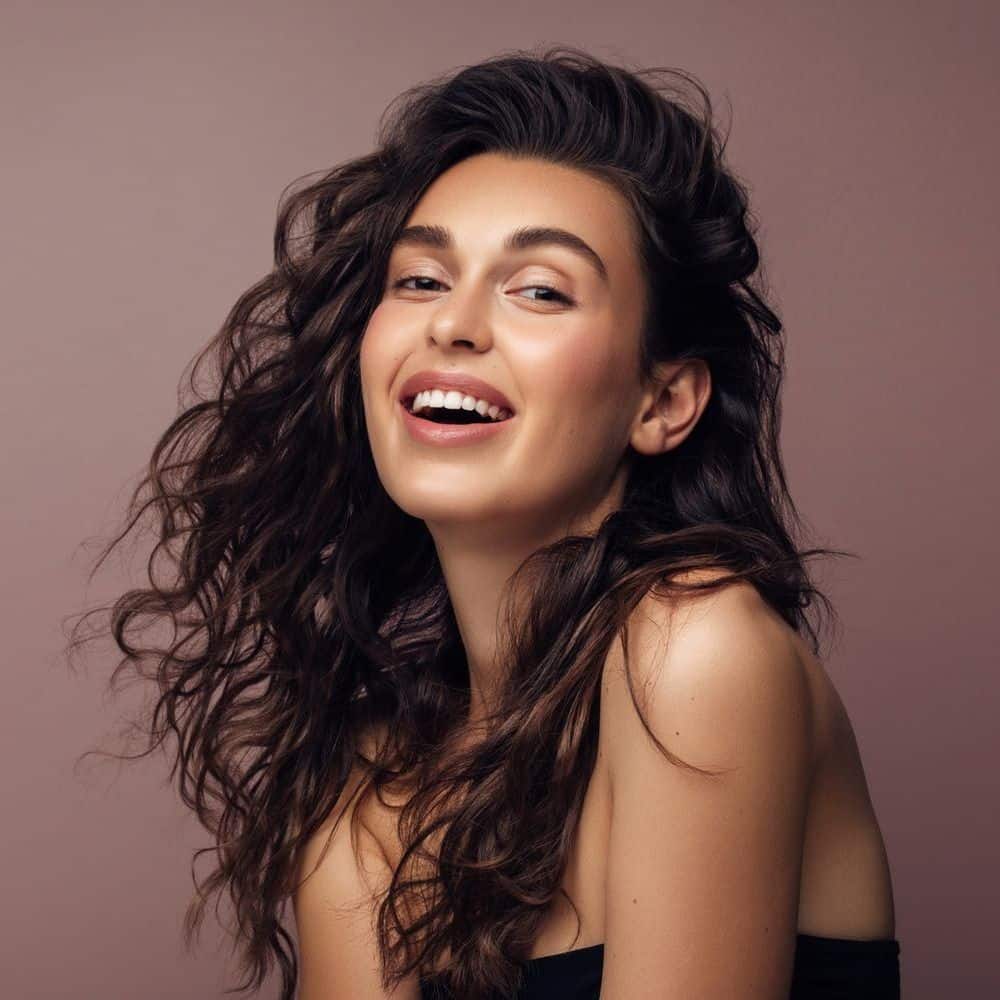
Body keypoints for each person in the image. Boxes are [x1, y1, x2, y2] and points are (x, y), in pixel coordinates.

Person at [73, 44, 900, 999]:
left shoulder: (697, 649)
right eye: (420, 280)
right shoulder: (375, 789)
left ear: (663, 401)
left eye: (540, 289)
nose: (454, 325)